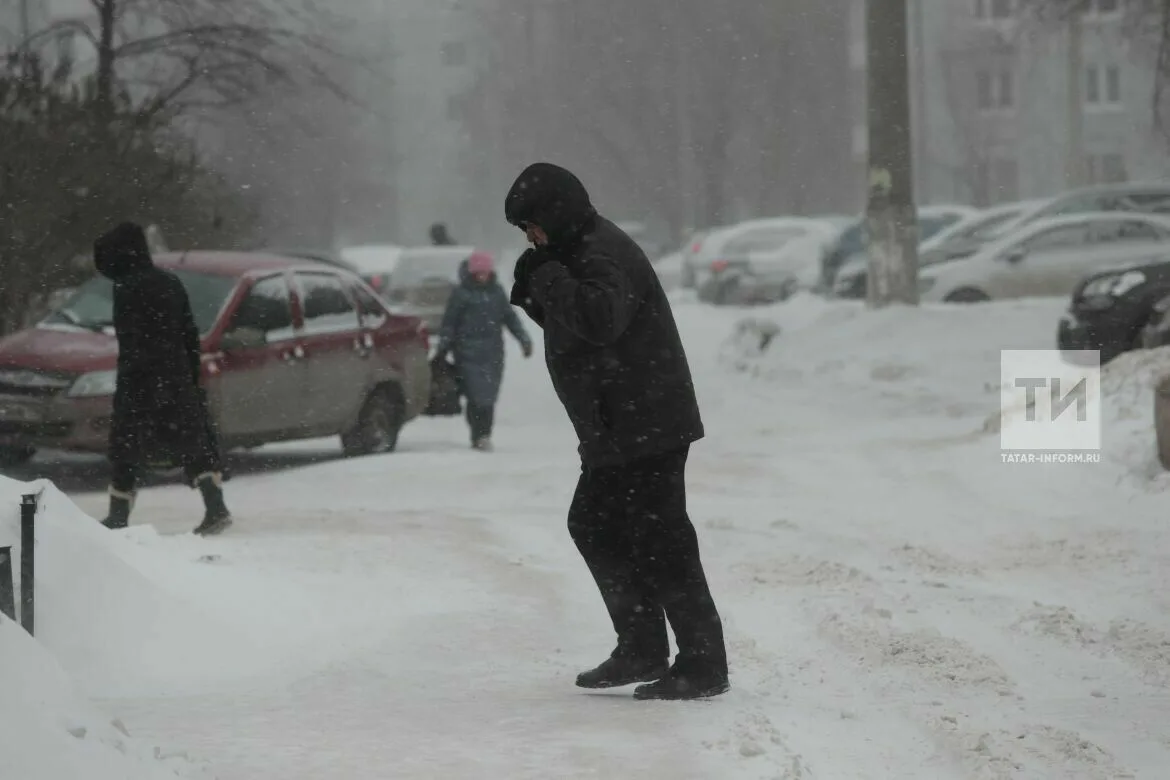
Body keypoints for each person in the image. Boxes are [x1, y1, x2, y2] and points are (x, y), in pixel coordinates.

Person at [505, 162, 729, 700]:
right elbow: (574, 325)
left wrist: (549, 276)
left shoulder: (601, 250)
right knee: (597, 524)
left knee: (662, 538)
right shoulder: (577, 249)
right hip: (618, 426)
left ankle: (702, 664)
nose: (531, 237)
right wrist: (539, 280)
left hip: (645, 421)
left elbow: (601, 317)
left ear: (555, 213)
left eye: (532, 225)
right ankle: (643, 647)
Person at [93, 222, 232, 536]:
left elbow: (131, 341)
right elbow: (189, 333)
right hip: (176, 376)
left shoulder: (125, 288)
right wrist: (189, 375)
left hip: (140, 379)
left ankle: (118, 515)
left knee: (125, 445)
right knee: (194, 442)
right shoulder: (170, 282)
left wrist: (130, 381)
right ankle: (216, 506)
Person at [435, 251, 534, 451]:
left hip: (493, 354)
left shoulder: (496, 292)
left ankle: (484, 434)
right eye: (478, 272)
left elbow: (510, 317)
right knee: (475, 396)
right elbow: (449, 324)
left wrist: (524, 339)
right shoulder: (461, 293)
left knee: (488, 396)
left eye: (485, 272)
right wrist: (443, 348)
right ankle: (478, 433)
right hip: (466, 353)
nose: (482, 276)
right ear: (471, 273)